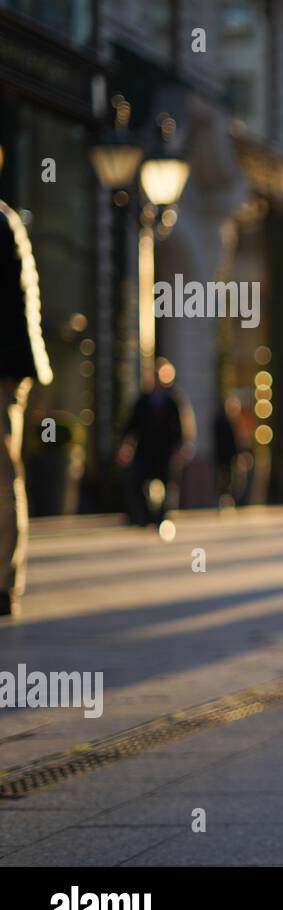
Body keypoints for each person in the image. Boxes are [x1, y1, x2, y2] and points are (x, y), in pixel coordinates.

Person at [1, 149, 54, 617]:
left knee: (2, 471)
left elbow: (15, 312)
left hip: (2, 371)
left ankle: (4, 581)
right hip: (12, 368)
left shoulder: (2, 224)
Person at [119, 358, 191, 531]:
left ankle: (161, 517)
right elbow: (131, 425)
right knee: (137, 481)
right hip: (145, 451)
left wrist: (181, 448)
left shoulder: (173, 402)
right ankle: (145, 516)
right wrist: (125, 446)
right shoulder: (143, 401)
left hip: (165, 452)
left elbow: (180, 429)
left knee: (168, 484)